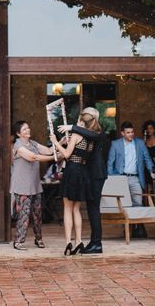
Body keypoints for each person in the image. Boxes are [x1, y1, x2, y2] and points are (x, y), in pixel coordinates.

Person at [50, 110, 98, 256]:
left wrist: (55, 142)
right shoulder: (90, 138)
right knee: (76, 209)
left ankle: (68, 242)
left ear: (81, 122)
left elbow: (66, 155)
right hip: (83, 171)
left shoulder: (77, 135)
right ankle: (78, 241)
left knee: (67, 208)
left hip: (72, 171)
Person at [63, 107, 107, 254]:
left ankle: (96, 243)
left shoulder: (98, 133)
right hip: (90, 174)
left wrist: (72, 127)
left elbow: (89, 134)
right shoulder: (88, 134)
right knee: (91, 208)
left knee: (94, 209)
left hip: (96, 175)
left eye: (84, 117)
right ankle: (93, 242)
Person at [10, 120, 57, 250]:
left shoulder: (33, 143)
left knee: (38, 214)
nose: (28, 130)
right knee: (24, 214)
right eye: (24, 129)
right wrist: (55, 157)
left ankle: (39, 239)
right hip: (22, 185)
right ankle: (18, 241)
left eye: (28, 128)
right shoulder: (18, 146)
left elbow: (48, 150)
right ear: (18, 133)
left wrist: (61, 143)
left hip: (34, 185)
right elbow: (33, 157)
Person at [107, 120, 154, 238]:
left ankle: (138, 228)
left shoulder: (140, 143)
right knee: (124, 204)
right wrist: (112, 178)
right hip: (121, 178)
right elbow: (109, 163)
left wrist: (152, 171)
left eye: (132, 132)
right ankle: (127, 228)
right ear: (122, 133)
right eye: (128, 132)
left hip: (135, 178)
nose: (131, 135)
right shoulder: (115, 144)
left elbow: (147, 159)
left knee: (138, 202)